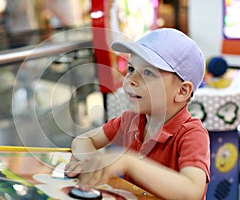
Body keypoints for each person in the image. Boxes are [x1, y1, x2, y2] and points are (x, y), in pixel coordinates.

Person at [65, 28, 210, 200]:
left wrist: (129, 162)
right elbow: (83, 141)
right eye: (132, 68)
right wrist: (94, 164)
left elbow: (192, 191)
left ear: (182, 91)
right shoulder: (130, 120)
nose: (131, 79)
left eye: (148, 73)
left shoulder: (192, 135)